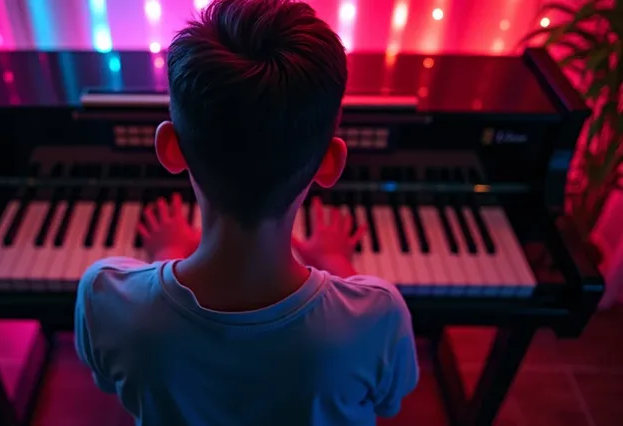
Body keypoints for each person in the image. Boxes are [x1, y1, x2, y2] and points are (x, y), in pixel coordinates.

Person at [74, 0, 419, 424]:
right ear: (331, 163)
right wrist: (334, 260)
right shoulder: (379, 315)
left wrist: (166, 255)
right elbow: (388, 402)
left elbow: (114, 375)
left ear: (169, 149)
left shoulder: (105, 294)